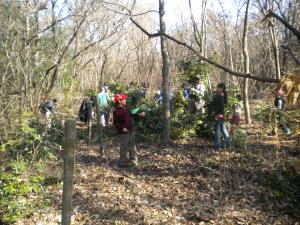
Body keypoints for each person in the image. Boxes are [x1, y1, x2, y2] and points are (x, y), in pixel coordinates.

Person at [113, 93, 143, 167]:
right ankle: (122, 163)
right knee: (124, 147)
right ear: (119, 101)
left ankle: (134, 161)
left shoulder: (126, 108)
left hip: (130, 130)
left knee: (132, 146)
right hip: (123, 133)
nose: (125, 100)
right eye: (124, 99)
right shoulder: (116, 111)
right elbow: (115, 122)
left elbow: (131, 115)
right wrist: (122, 128)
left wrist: (139, 115)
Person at [209, 83, 231, 151]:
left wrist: (214, 112)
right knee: (224, 130)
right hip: (222, 115)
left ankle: (218, 147)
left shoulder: (221, 96)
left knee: (217, 131)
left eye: (218, 87)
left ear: (221, 89)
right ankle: (228, 146)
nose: (216, 89)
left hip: (218, 115)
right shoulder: (222, 95)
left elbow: (220, 106)